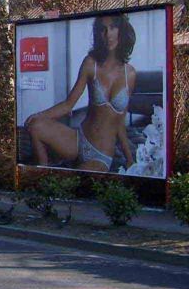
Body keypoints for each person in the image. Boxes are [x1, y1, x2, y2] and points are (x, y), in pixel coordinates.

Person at [25, 13, 137, 172]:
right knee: (35, 126)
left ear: (122, 31)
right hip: (78, 139)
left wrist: (130, 158)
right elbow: (68, 104)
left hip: (101, 154)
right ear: (98, 33)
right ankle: (43, 173)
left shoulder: (130, 75)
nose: (108, 34)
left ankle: (52, 176)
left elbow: (119, 121)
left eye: (113, 28)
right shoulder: (91, 63)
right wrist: (39, 115)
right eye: (103, 29)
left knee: (76, 180)